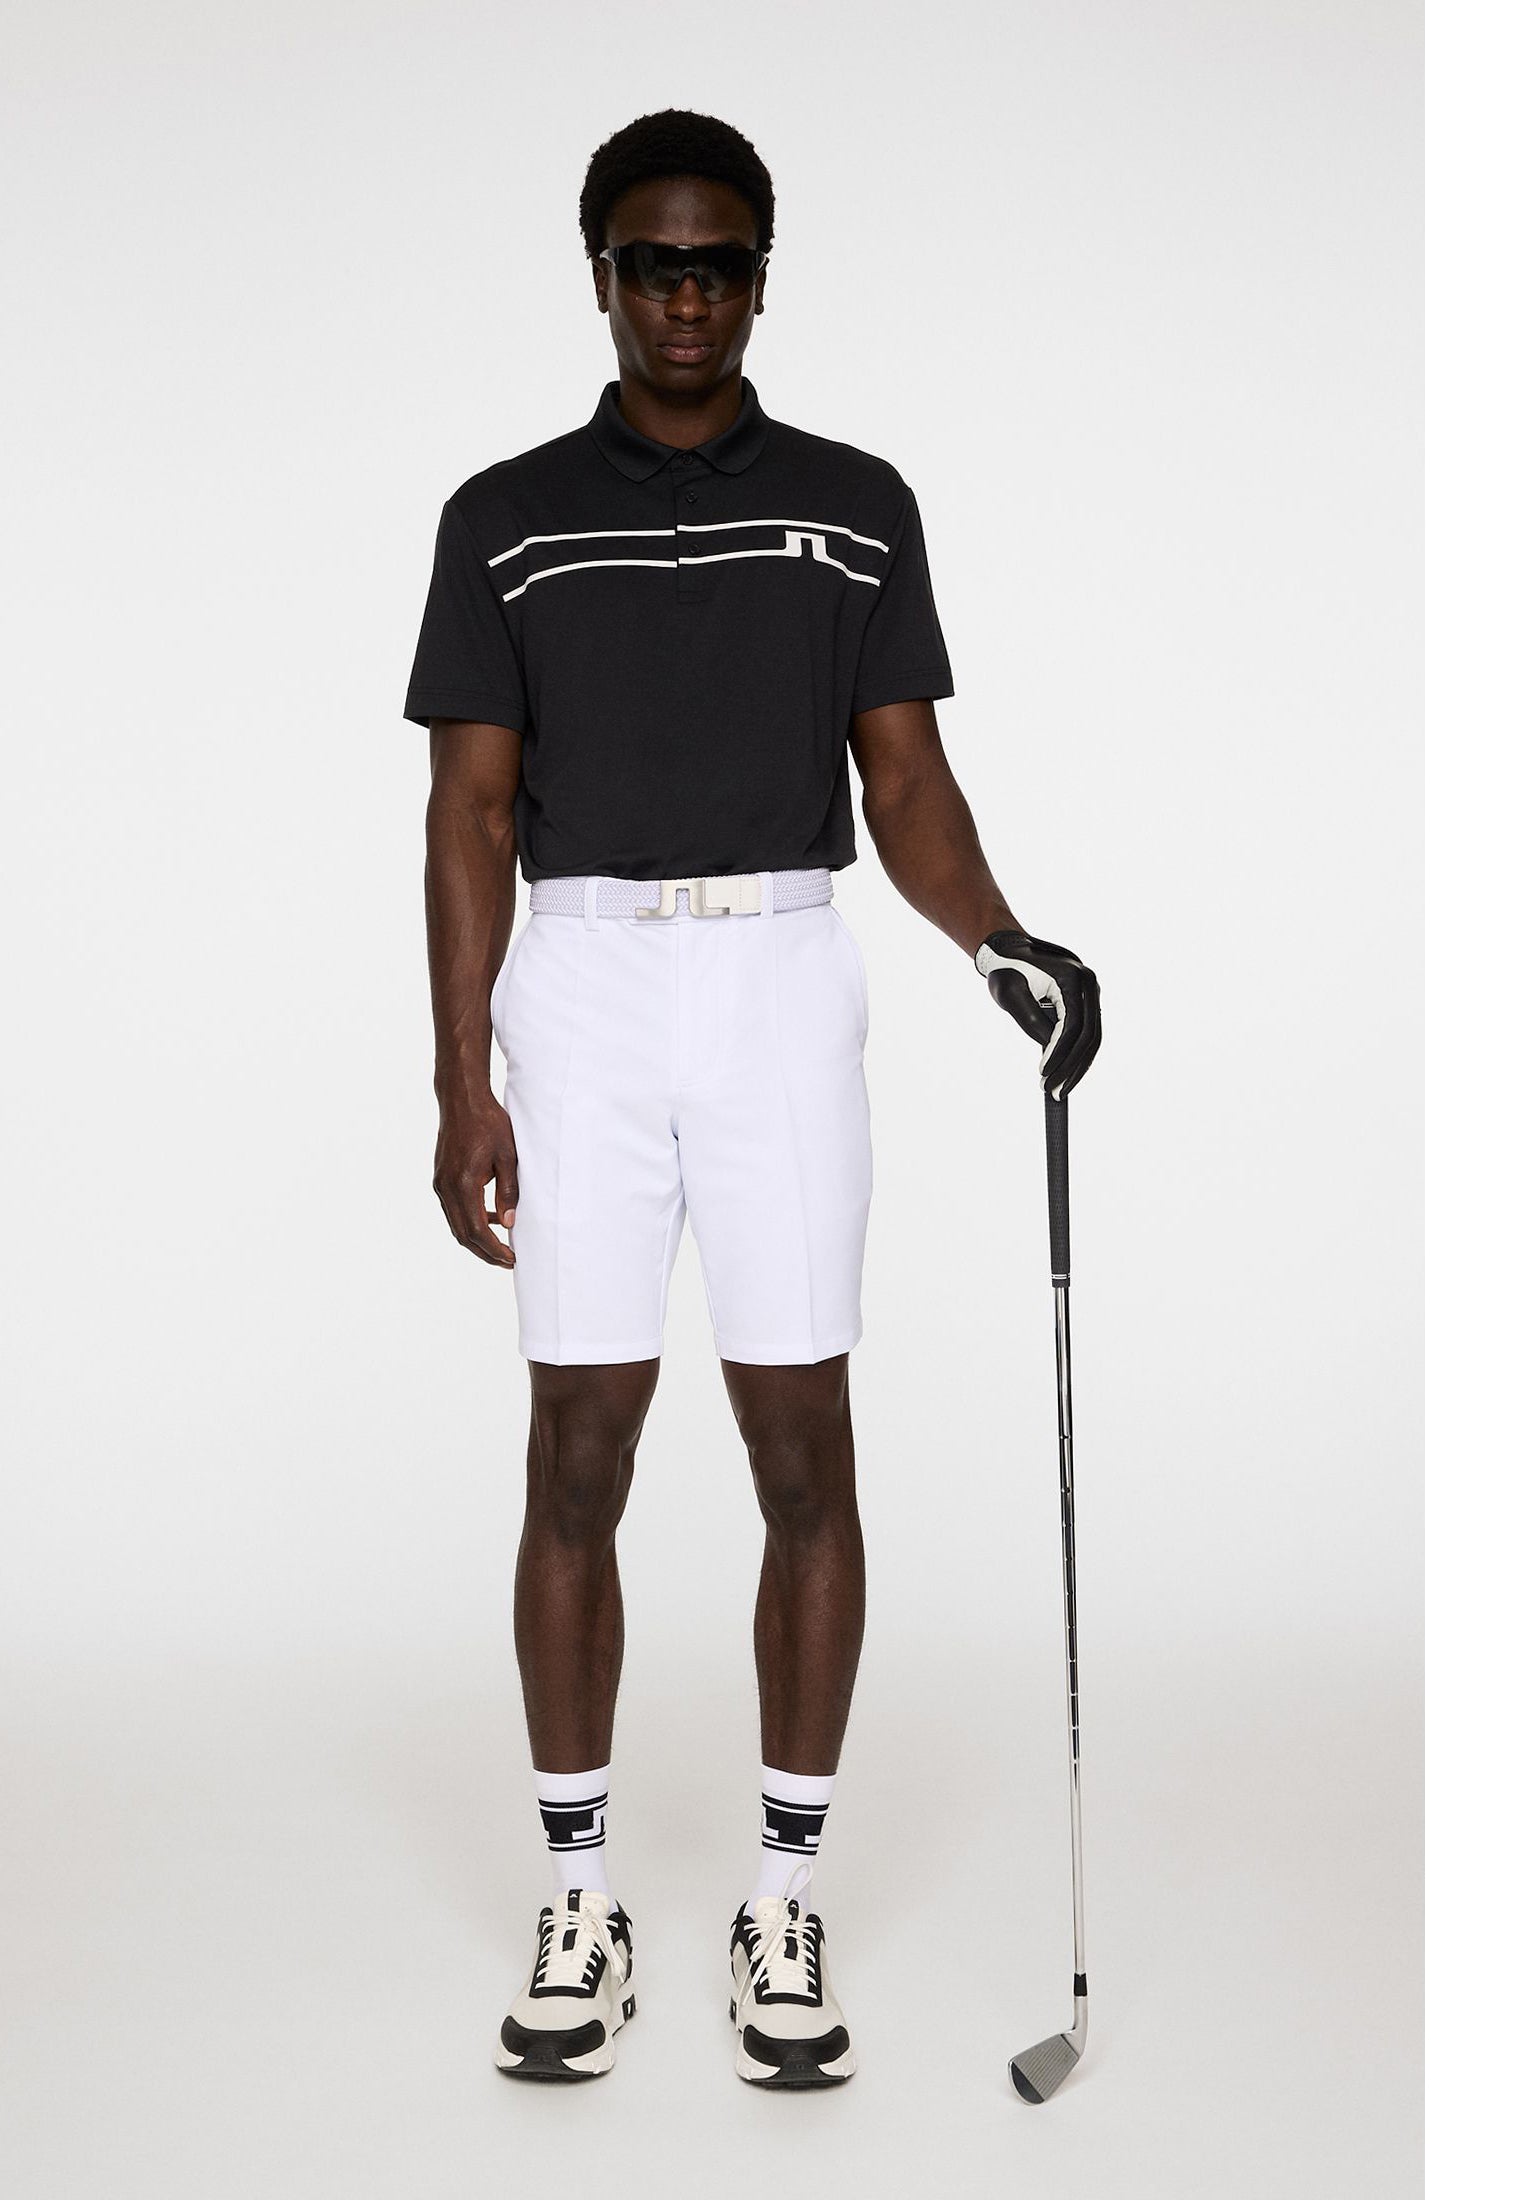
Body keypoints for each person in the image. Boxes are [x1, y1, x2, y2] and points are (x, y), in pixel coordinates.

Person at [407, 108, 1101, 2087]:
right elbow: (466, 815)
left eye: (718, 264)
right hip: (582, 985)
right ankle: (579, 1896)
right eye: (654, 263)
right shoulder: (504, 517)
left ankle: (784, 1894)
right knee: (576, 1446)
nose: (687, 296)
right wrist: (463, 1078)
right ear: (601, 277)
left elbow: (907, 784)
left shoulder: (852, 507)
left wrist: (1002, 943)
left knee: (804, 1441)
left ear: (760, 280)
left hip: (781, 972)